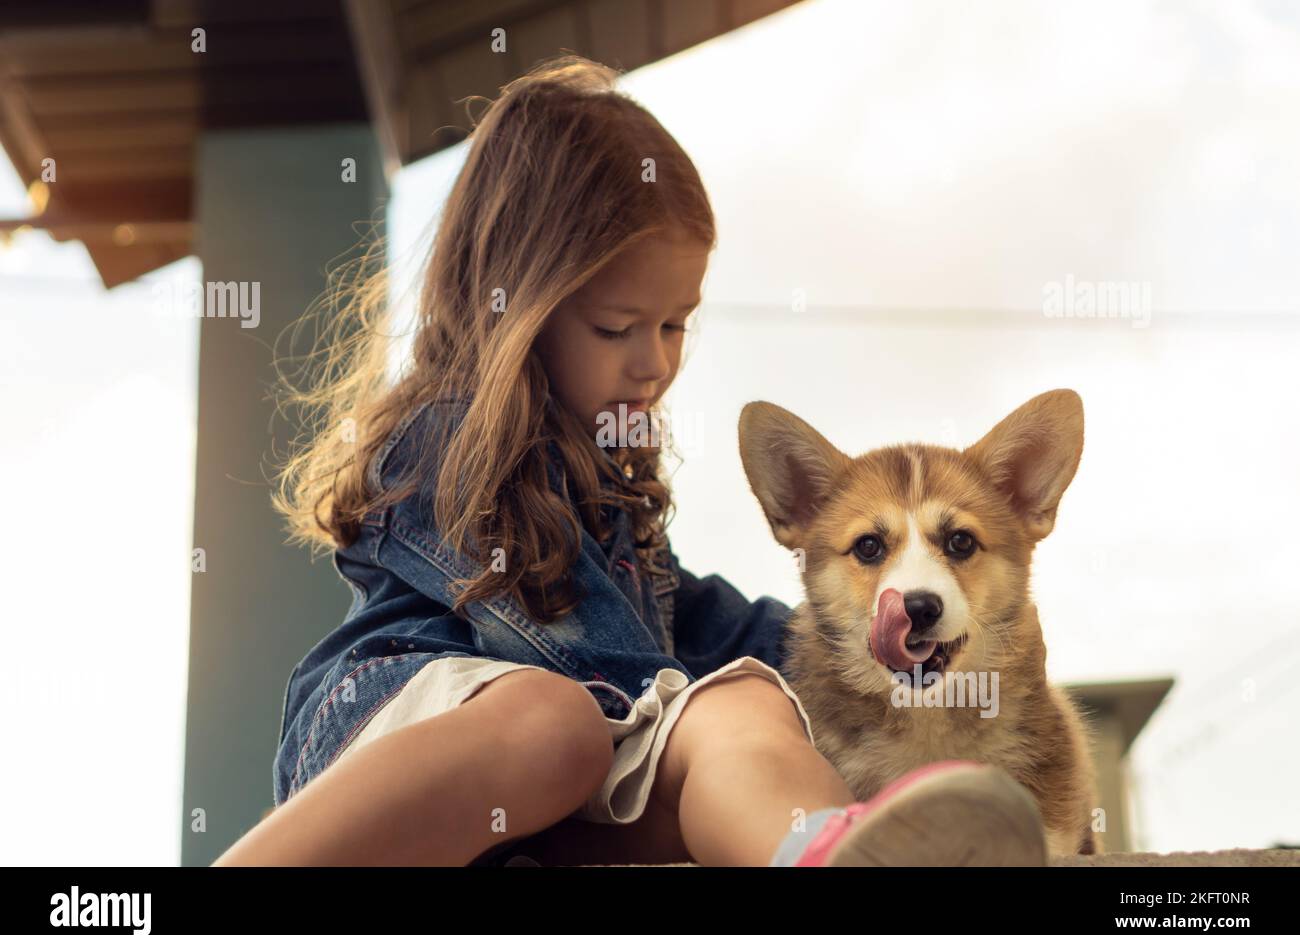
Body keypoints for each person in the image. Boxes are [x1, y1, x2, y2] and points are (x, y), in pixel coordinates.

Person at [212, 55, 1047, 867]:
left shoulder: (612, 495)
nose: (654, 361)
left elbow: (705, 626)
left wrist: (849, 647)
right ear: (522, 309)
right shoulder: (446, 438)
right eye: (618, 328)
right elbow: (579, 644)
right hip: (397, 744)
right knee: (559, 720)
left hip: (548, 805)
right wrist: (680, 710)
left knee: (746, 700)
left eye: (675, 324)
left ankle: (819, 848)